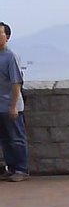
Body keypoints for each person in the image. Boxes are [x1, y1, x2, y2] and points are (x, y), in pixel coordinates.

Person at [0, 22, 29, 182]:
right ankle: (11, 169)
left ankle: (21, 170)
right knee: (5, 140)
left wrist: (13, 107)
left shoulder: (11, 56)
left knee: (16, 138)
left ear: (7, 37)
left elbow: (16, 82)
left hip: (11, 105)